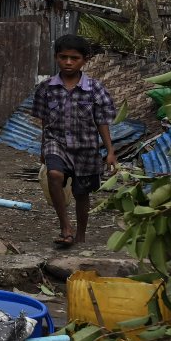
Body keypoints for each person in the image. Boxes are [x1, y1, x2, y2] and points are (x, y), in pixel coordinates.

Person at [31, 34, 117, 248]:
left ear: (84, 60)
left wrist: (110, 151)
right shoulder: (46, 88)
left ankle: (80, 234)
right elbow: (44, 121)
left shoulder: (95, 89)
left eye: (74, 58)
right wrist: (43, 148)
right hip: (56, 141)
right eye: (63, 57)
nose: (68, 62)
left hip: (86, 148)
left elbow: (102, 122)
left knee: (82, 195)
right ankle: (65, 227)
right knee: (54, 174)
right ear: (56, 57)